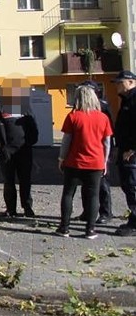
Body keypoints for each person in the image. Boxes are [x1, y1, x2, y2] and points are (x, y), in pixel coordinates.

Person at [55, 84, 112, 239]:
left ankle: (64, 228)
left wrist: (61, 158)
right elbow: (107, 142)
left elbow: (66, 141)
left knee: (68, 194)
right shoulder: (103, 117)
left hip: (74, 162)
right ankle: (90, 230)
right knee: (93, 196)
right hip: (95, 163)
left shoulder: (73, 116)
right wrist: (105, 161)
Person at [0, 76, 39, 218]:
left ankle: (28, 208)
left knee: (25, 181)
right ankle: (11, 210)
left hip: (24, 150)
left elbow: (33, 126)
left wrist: (31, 141)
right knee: (9, 182)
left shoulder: (25, 107)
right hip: (6, 150)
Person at [75, 80, 113, 224]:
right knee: (86, 184)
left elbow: (109, 132)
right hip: (84, 151)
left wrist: (107, 154)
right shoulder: (79, 106)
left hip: (99, 150)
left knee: (102, 184)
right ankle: (88, 212)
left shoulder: (102, 106)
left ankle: (106, 212)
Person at [112, 70, 136, 236]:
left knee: (132, 186)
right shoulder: (128, 100)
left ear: (131, 82)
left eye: (120, 82)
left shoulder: (134, 100)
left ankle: (134, 224)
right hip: (125, 150)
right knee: (128, 185)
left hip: (131, 153)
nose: (117, 86)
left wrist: (131, 149)